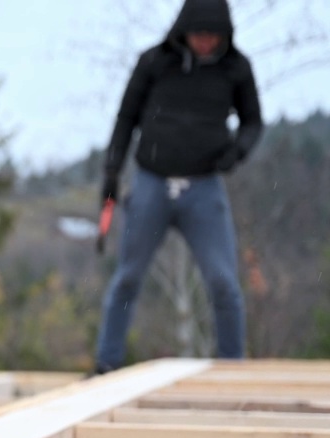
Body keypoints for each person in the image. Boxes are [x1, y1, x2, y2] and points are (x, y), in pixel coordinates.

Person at [94, 0, 263, 374]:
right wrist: (111, 172)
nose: (205, 43)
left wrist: (237, 152)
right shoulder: (154, 63)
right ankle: (107, 361)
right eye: (199, 35)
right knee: (128, 277)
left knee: (223, 281)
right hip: (152, 183)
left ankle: (232, 367)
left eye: (213, 36)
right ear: (184, 30)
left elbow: (253, 122)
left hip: (204, 189)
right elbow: (126, 118)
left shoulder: (236, 68)